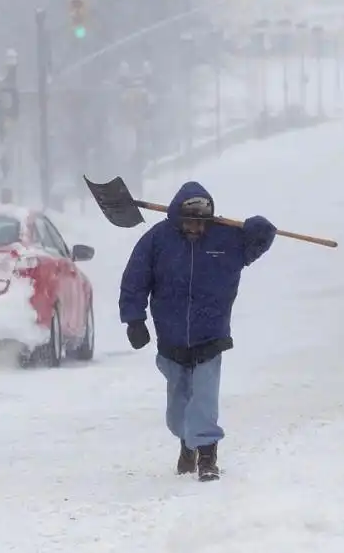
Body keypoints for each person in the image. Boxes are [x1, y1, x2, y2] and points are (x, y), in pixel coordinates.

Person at [119, 181, 277, 481]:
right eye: (190, 222)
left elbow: (262, 237)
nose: (196, 229)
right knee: (177, 410)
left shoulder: (227, 239)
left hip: (211, 334)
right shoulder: (157, 241)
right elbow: (135, 280)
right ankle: (186, 442)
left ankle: (207, 455)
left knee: (204, 397)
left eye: (201, 223)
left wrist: (258, 227)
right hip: (171, 337)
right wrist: (134, 319)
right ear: (179, 219)